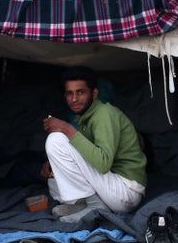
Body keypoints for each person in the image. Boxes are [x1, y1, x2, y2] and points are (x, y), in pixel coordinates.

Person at [41, 66, 147, 223]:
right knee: (56, 163)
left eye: (80, 92)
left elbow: (103, 164)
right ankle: (83, 204)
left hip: (126, 191)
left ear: (94, 93)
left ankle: (94, 205)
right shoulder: (86, 118)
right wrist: (54, 163)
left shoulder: (104, 113)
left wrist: (66, 128)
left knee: (56, 139)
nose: (74, 99)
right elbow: (84, 153)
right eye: (69, 93)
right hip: (112, 189)